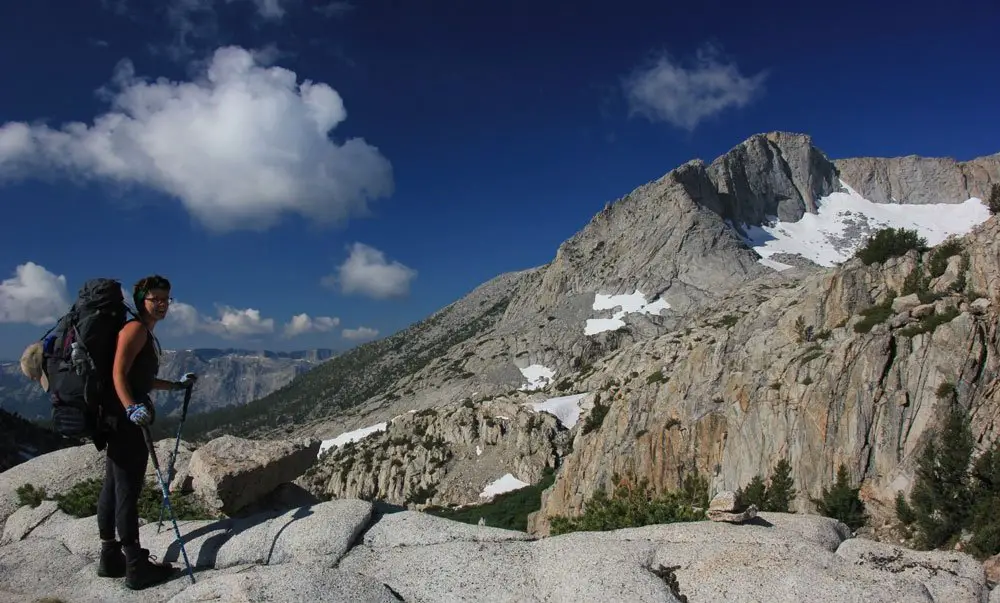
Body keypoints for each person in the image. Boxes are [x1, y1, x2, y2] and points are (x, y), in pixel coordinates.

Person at [95, 274, 196, 590]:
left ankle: (110, 555)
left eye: (167, 299)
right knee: (127, 490)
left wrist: (174, 386)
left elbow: (140, 379)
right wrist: (130, 407)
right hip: (126, 423)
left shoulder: (142, 330)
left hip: (120, 419)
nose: (163, 305)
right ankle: (135, 565)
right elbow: (119, 373)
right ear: (142, 301)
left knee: (113, 485)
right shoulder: (136, 329)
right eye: (156, 299)